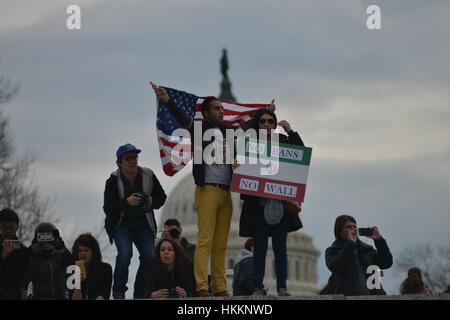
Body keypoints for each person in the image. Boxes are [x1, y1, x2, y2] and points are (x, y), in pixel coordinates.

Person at [151, 82, 275, 297]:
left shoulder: (229, 132)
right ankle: (201, 287)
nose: (221, 111)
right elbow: (182, 117)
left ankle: (219, 288)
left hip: (226, 192)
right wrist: (167, 100)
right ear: (205, 114)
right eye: (217, 109)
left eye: (222, 108)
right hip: (207, 190)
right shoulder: (199, 130)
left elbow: (249, 127)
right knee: (206, 241)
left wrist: (265, 112)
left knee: (220, 244)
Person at [237, 108, 304, 296]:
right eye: (262, 121)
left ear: (275, 125)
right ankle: (258, 286)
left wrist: (290, 131)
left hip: (280, 205)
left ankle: (282, 287)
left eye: (270, 122)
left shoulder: (283, 141)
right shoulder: (249, 145)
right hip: (258, 207)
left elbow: (300, 153)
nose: (266, 125)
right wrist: (237, 166)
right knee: (259, 249)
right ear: (257, 125)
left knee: (280, 250)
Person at [103, 143, 167, 299]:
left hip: (143, 225)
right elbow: (108, 208)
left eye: (135, 158)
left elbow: (162, 198)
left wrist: (152, 200)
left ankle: (140, 292)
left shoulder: (148, 175)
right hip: (121, 226)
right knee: (125, 254)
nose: (132, 161)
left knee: (149, 257)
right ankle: (119, 292)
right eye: (128, 159)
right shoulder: (112, 180)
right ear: (119, 163)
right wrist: (126, 202)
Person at [325, 215, 393, 296]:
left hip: (374, 296)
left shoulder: (367, 250)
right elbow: (336, 267)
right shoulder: (333, 250)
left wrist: (379, 240)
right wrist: (350, 244)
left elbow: (386, 263)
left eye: (354, 226)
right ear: (340, 231)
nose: (353, 229)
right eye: (348, 227)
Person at [22, 222, 73, 300]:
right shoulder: (33, 258)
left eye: (49, 239)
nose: (46, 243)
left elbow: (72, 264)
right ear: (37, 240)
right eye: (42, 239)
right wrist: (30, 252)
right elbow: (25, 282)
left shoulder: (60, 256)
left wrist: (62, 247)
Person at [71, 233, 112, 300]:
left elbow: (104, 294)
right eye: (80, 251)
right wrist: (77, 283)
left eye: (86, 250)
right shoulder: (72, 270)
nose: (83, 253)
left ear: (94, 252)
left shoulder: (105, 268)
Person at [0, 208, 30, 300]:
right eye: (4, 227)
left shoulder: (24, 251)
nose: (8, 231)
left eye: (11, 227)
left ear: (17, 227)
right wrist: (3, 256)